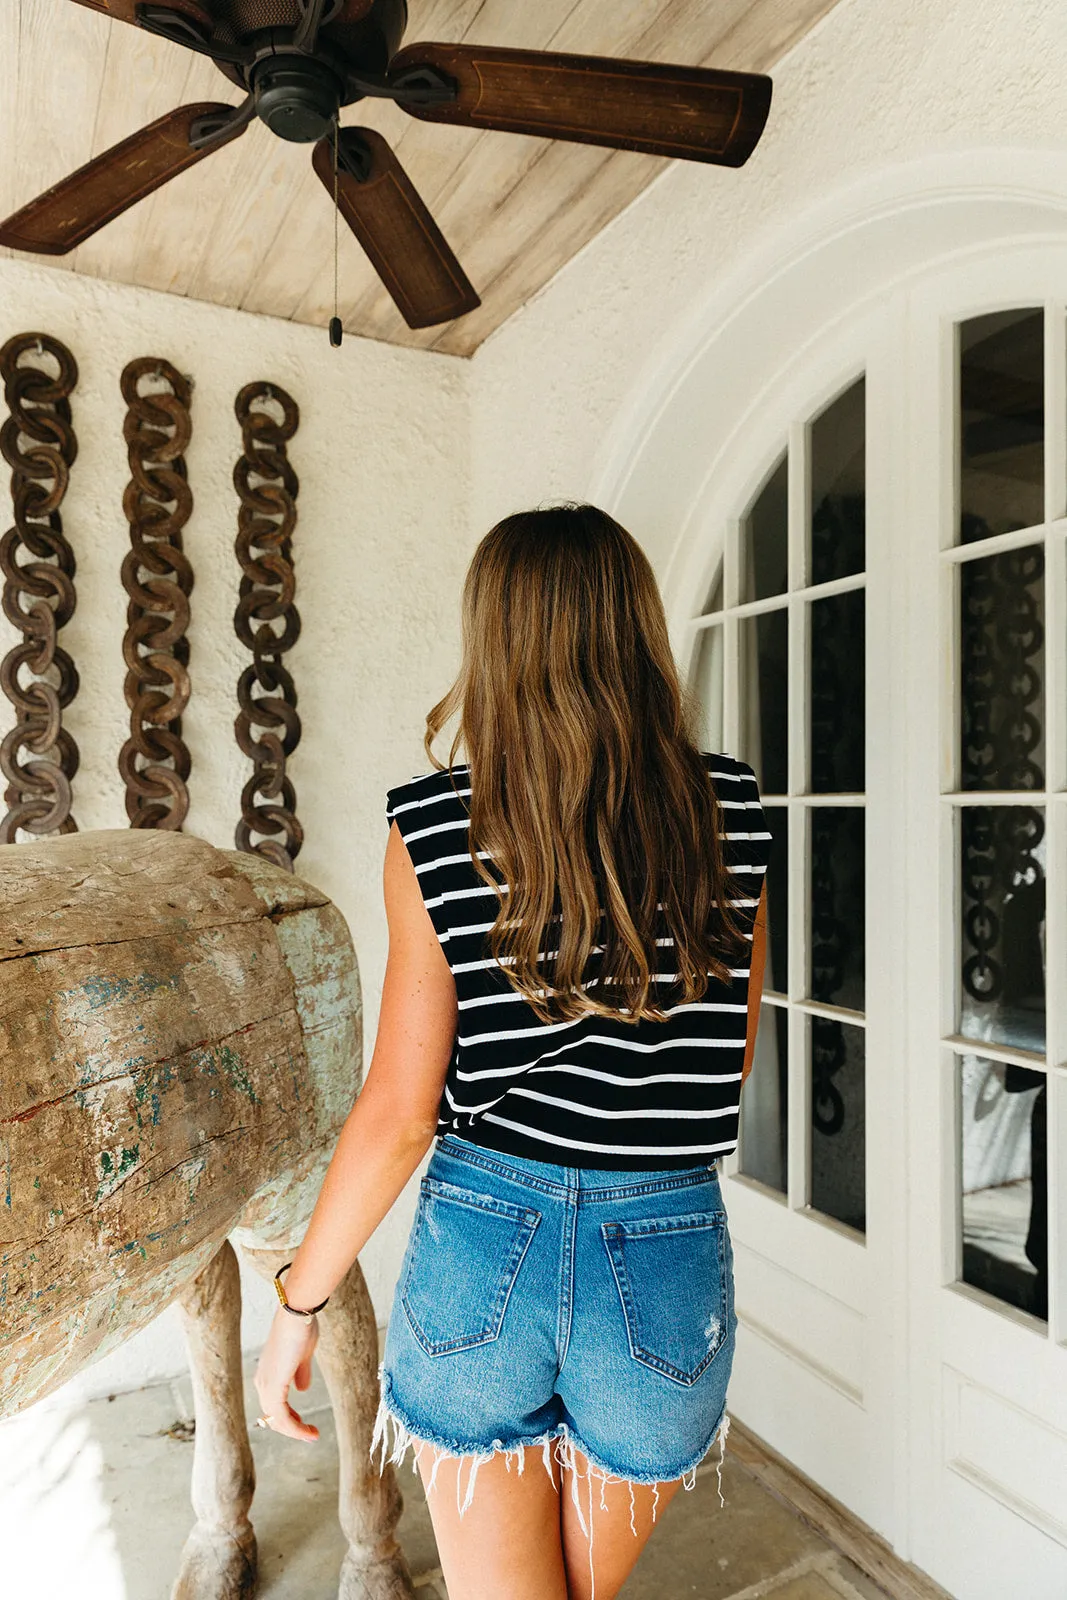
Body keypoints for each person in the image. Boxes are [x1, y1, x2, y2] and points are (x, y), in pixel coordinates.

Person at [253, 502, 771, 1600]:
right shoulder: (730, 811)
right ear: (636, 631)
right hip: (666, 1248)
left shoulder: (434, 827)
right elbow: (723, 1063)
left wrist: (300, 1301)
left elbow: (399, 1111)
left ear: (494, 640)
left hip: (485, 1244)